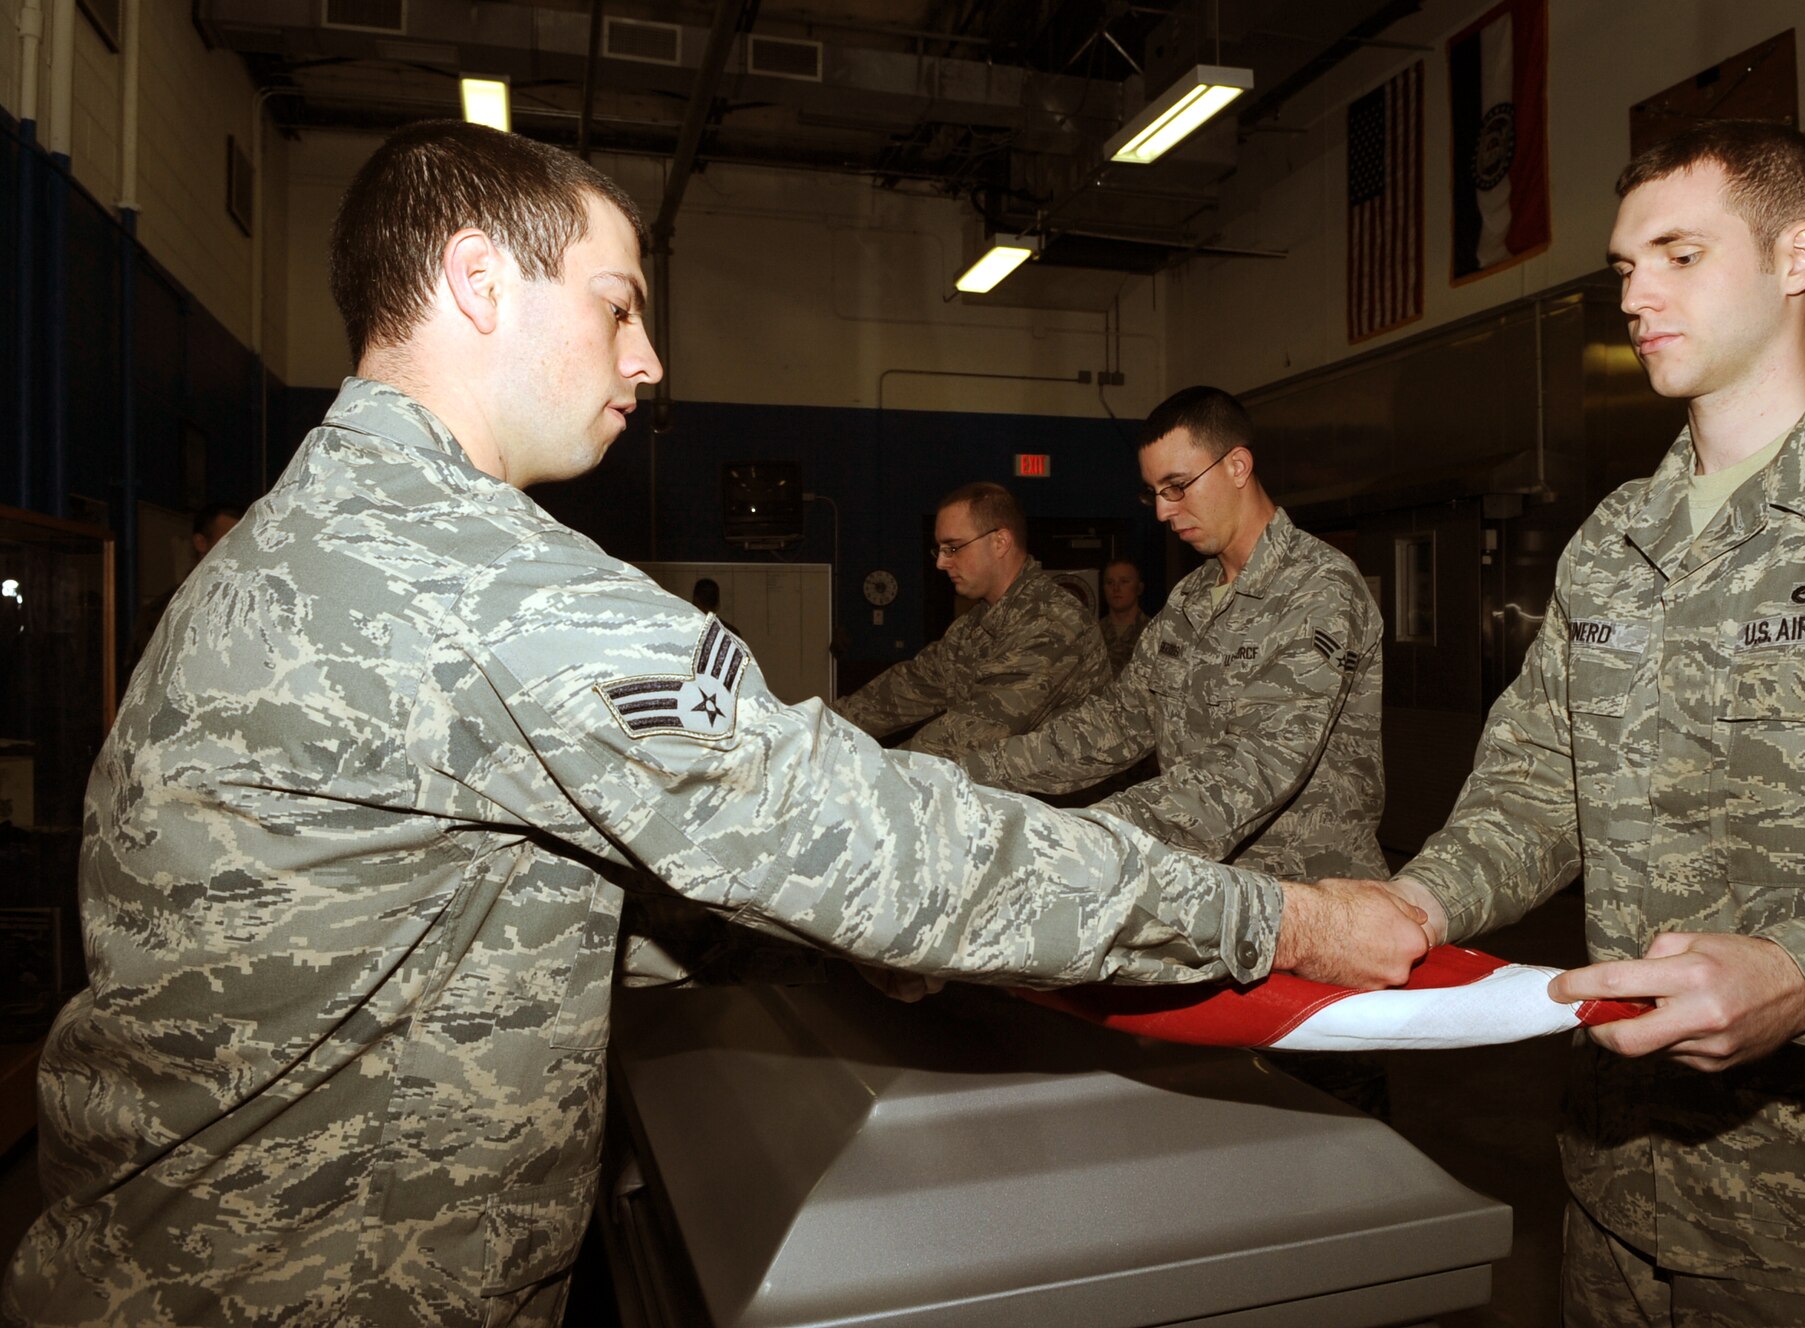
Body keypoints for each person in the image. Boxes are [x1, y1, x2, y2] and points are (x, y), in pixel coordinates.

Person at [1, 122, 1430, 1328]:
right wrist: (1283, 923)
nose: (652, 358)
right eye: (618, 304)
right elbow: (886, 848)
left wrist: (829, 924)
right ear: (478, 283)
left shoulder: (291, 543)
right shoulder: (485, 583)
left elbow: (486, 896)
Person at [1336, 120, 1805, 1323]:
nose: (1633, 293)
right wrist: (1413, 902)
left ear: (1796, 256)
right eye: (1622, 265)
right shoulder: (1614, 539)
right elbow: (1537, 785)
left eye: (1677, 254)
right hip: (1613, 1195)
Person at [960, 388, 1388, 885]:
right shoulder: (1190, 598)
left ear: (1237, 467)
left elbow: (1259, 762)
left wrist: (1086, 835)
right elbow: (1115, 722)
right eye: (1154, 493)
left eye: (1178, 486)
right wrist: (969, 773)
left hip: (1312, 897)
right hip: (1211, 889)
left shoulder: (1319, 586)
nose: (1163, 512)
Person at [832, 482, 1111, 760]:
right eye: (939, 549)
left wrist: (873, 771)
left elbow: (970, 733)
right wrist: (819, 727)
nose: (941, 562)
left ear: (1000, 542)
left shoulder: (1053, 622)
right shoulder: (973, 625)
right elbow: (907, 689)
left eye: (953, 548)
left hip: (1055, 803)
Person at [124, 502, 243, 679]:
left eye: (244, 541)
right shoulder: (168, 609)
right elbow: (141, 680)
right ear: (201, 543)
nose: (239, 550)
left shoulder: (247, 603)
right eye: (229, 540)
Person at [1098, 557, 1148, 674]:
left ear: (1139, 588)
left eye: (1124, 581)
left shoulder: (1154, 632)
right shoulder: (1093, 634)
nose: (1116, 588)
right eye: (1110, 582)